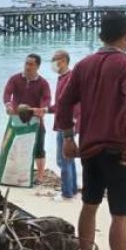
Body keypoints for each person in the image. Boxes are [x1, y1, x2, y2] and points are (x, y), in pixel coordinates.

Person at [55, 12, 126, 250]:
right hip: (118, 148)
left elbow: (65, 102)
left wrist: (68, 136)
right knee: (120, 216)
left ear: (100, 36)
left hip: (90, 147)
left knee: (89, 204)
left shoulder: (84, 65)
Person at [3, 54, 52, 181]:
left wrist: (43, 109)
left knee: (39, 148)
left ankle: (40, 176)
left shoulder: (43, 83)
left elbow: (47, 98)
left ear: (37, 66)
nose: (27, 67)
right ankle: (15, 173)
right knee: (15, 146)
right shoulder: (15, 79)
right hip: (17, 117)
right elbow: (7, 92)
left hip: (35, 118)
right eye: (26, 63)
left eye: (31, 64)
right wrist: (8, 105)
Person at [50, 49, 78, 200]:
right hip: (64, 121)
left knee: (63, 159)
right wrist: (46, 109)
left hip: (67, 123)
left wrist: (73, 121)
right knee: (69, 159)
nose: (53, 63)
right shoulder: (62, 78)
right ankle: (72, 189)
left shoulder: (69, 77)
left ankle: (66, 192)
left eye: (55, 59)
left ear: (63, 60)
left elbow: (73, 102)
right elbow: (59, 104)